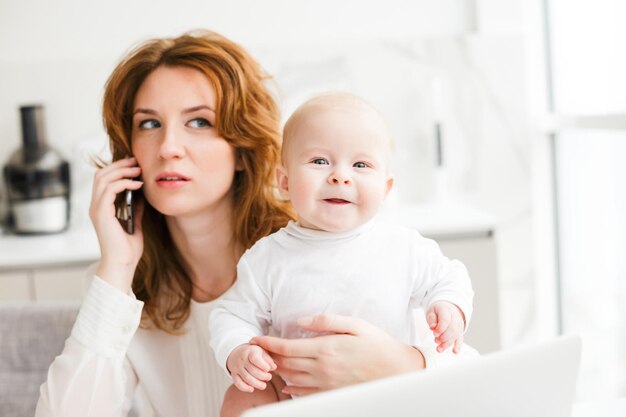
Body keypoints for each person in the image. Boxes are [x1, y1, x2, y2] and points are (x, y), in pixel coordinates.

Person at [34, 31, 473, 417]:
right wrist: (116, 268)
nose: (168, 147)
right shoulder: (128, 289)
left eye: (199, 122)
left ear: (242, 146)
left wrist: (401, 364)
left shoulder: (327, 244)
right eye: (149, 123)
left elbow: (473, 382)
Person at [209, 93, 475, 417]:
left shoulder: (403, 247)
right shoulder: (267, 258)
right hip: (297, 398)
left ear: (386, 188)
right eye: (320, 161)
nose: (340, 176)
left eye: (360, 164)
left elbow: (449, 276)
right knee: (243, 396)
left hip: (386, 396)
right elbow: (232, 314)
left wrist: (449, 306)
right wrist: (238, 350)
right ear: (284, 182)